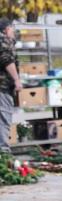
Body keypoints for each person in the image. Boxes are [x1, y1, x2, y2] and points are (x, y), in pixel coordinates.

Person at [0, 19, 21, 154]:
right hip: (3, 86)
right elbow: (7, 60)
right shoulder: (3, 42)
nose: (14, 31)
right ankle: (4, 152)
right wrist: (17, 80)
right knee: (4, 119)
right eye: (12, 28)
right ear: (6, 29)